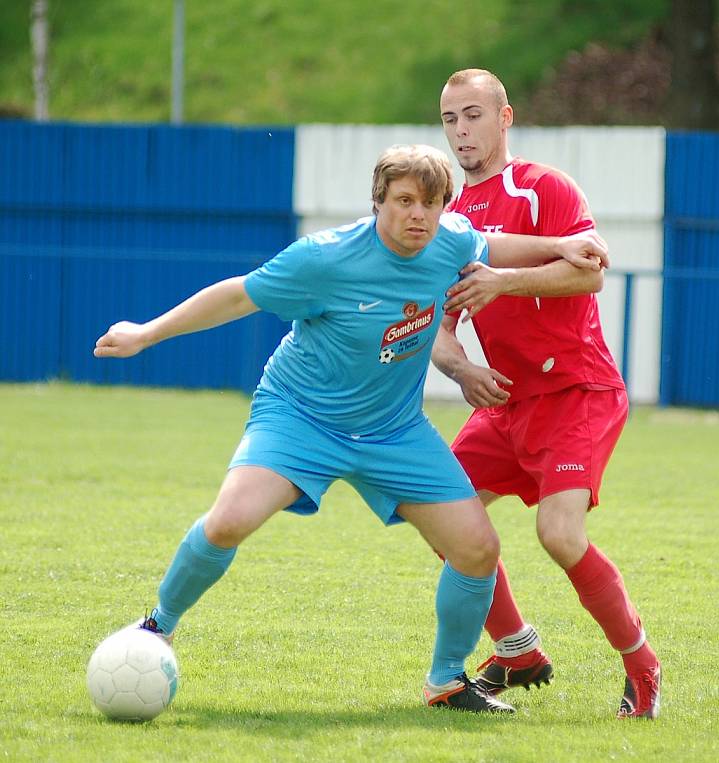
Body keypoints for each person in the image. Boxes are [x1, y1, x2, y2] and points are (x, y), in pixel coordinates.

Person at [93, 143, 609, 715]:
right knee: (229, 521)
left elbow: (491, 244)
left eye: (430, 204)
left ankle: (446, 682)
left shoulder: (449, 241)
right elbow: (239, 294)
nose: (418, 215)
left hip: (393, 431)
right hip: (301, 418)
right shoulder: (325, 259)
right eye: (404, 201)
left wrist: (559, 245)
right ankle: (157, 625)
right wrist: (146, 333)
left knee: (477, 548)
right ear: (378, 202)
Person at [432, 70, 661, 719]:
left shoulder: (542, 188)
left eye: (473, 115)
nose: (461, 132)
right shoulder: (448, 221)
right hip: (505, 403)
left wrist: (502, 280)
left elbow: (589, 270)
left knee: (558, 533)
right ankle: (515, 646)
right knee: (439, 510)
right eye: (450, 120)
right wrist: (461, 371)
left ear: (505, 118)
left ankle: (642, 665)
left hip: (575, 391)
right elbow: (439, 330)